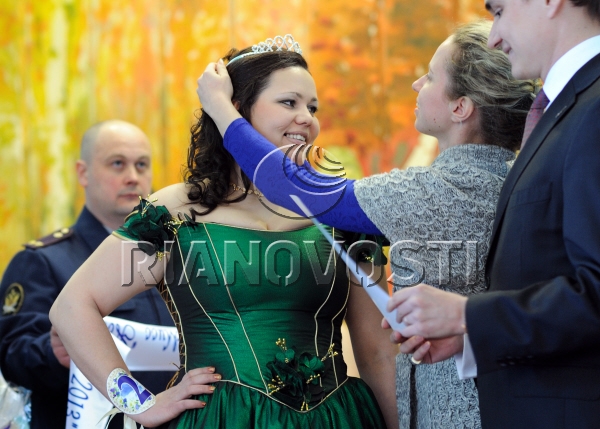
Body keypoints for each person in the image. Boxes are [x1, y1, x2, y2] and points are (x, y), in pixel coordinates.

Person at [196, 22, 537, 429]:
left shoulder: (441, 191)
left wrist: (219, 107)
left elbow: (294, 188)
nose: (416, 84)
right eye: (289, 102)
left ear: (460, 107)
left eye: (430, 76)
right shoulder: (515, 178)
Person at [49, 36, 399, 429]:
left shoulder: (337, 212)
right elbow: (72, 307)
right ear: (235, 108)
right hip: (221, 419)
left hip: (337, 420)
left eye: (312, 107)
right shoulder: (176, 211)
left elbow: (378, 351)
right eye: (290, 102)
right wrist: (139, 403)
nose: (307, 119)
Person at [380, 0, 600, 428]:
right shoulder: (564, 110)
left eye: (498, 11)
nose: (495, 37)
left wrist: (466, 314)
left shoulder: (592, 109)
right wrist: (471, 335)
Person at [0, 120, 176, 429]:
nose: (133, 177)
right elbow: (11, 355)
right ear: (83, 173)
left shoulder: (176, 257)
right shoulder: (44, 260)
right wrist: (52, 353)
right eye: (117, 164)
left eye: (141, 165)